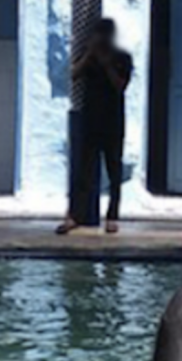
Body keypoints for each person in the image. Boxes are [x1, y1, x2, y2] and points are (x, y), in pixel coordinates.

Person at [57, 18, 133, 236]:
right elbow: (73, 75)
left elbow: (120, 86)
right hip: (90, 121)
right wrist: (90, 55)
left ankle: (112, 216)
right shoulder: (89, 58)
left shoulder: (122, 58)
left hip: (113, 122)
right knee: (84, 171)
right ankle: (75, 215)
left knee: (114, 170)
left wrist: (107, 63)